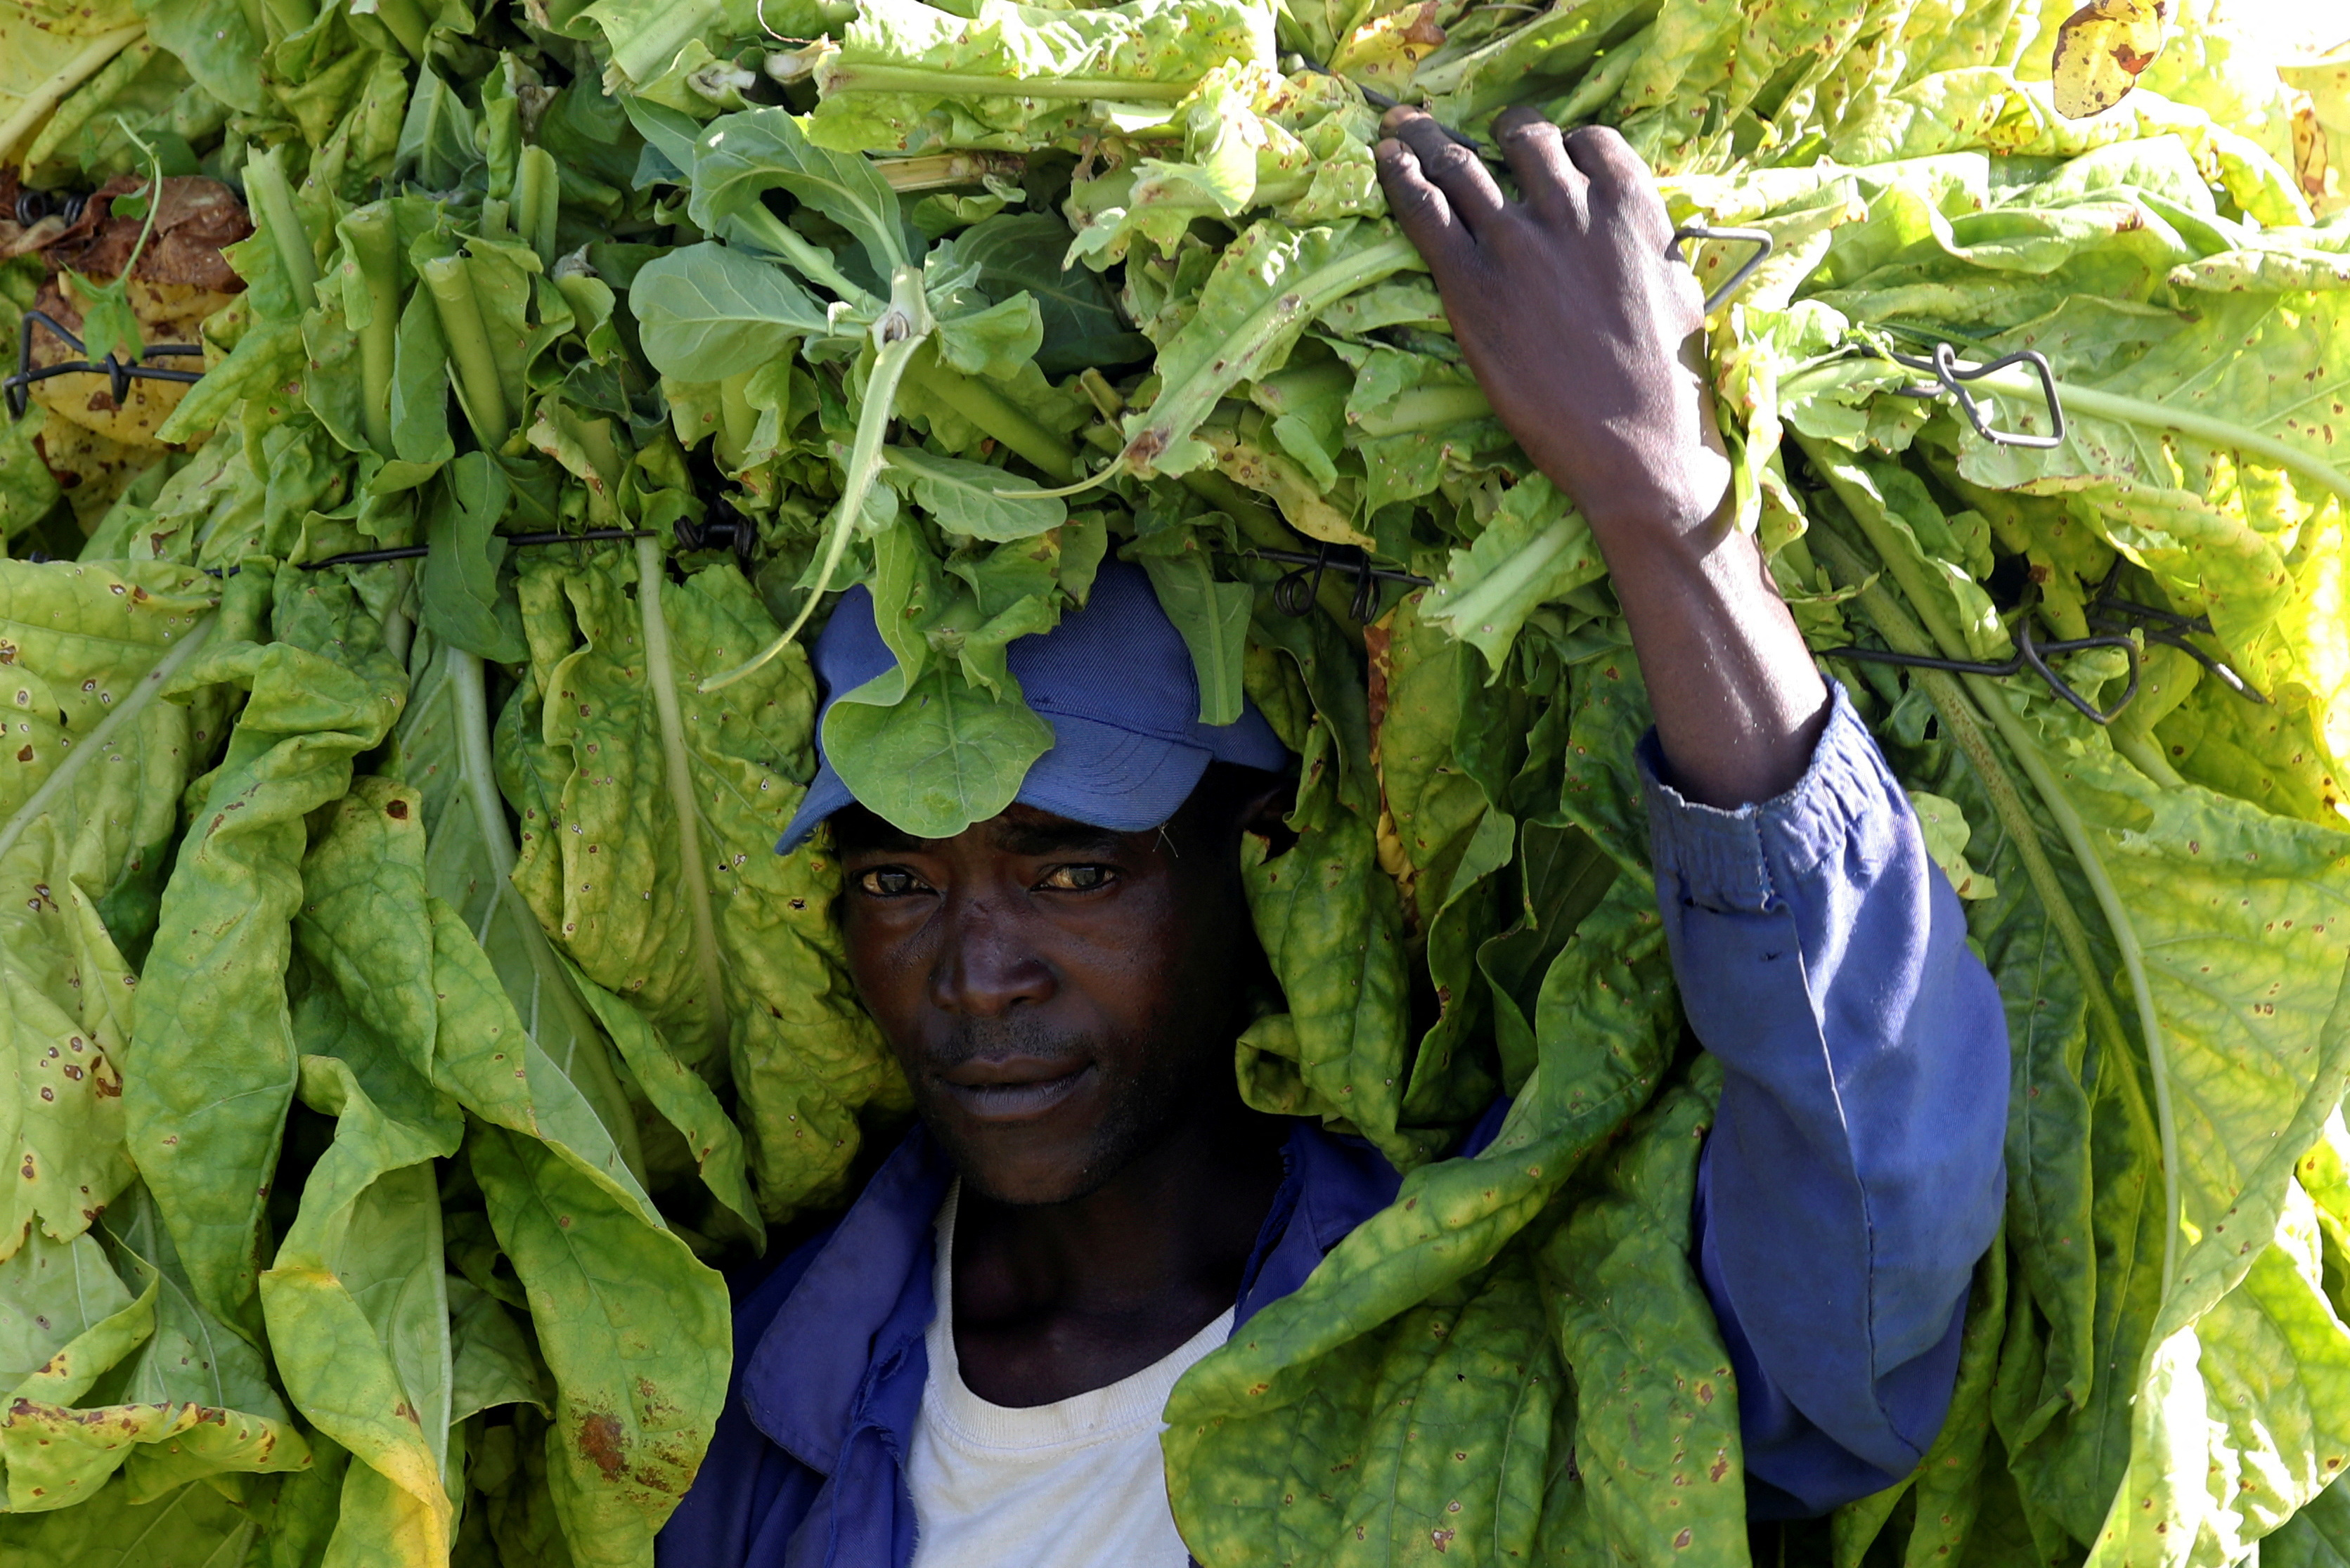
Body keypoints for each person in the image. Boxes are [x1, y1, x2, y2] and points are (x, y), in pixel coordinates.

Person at [657, 106, 2010, 1566]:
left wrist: (1654, 494)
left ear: (1269, 857)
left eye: (1073, 870)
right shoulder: (747, 1410)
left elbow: (1868, 1235)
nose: (978, 975)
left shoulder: (1491, 1329)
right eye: (898, 879)